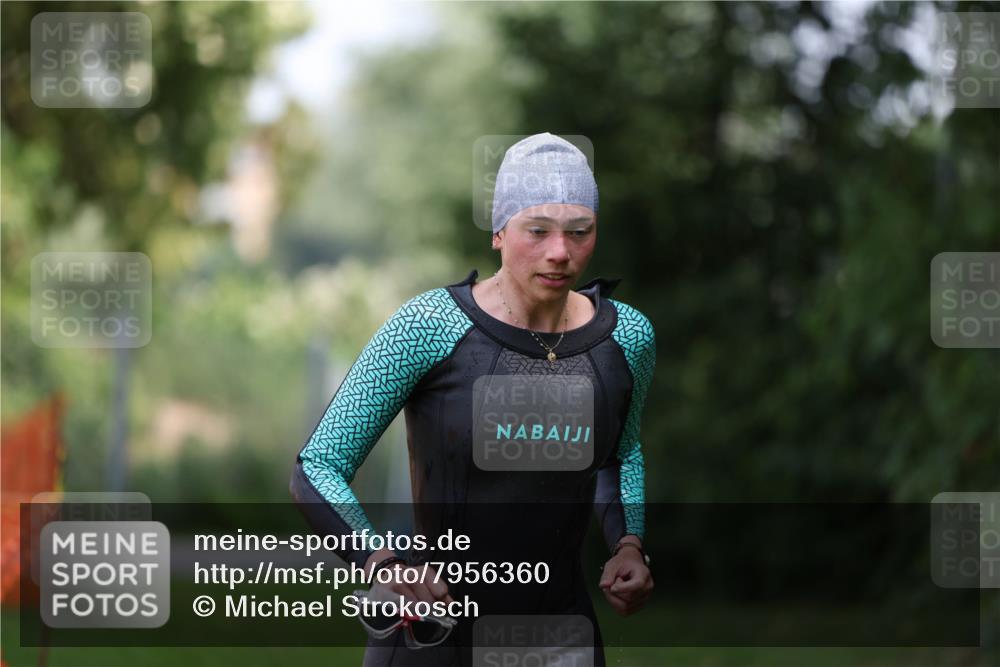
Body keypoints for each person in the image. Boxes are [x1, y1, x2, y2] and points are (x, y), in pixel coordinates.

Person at [290, 132, 656, 666]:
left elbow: (621, 454)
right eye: (538, 231)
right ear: (499, 232)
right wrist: (383, 564)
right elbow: (317, 466)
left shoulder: (627, 337)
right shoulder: (429, 326)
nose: (560, 252)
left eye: (580, 231)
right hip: (433, 632)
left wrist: (630, 546)